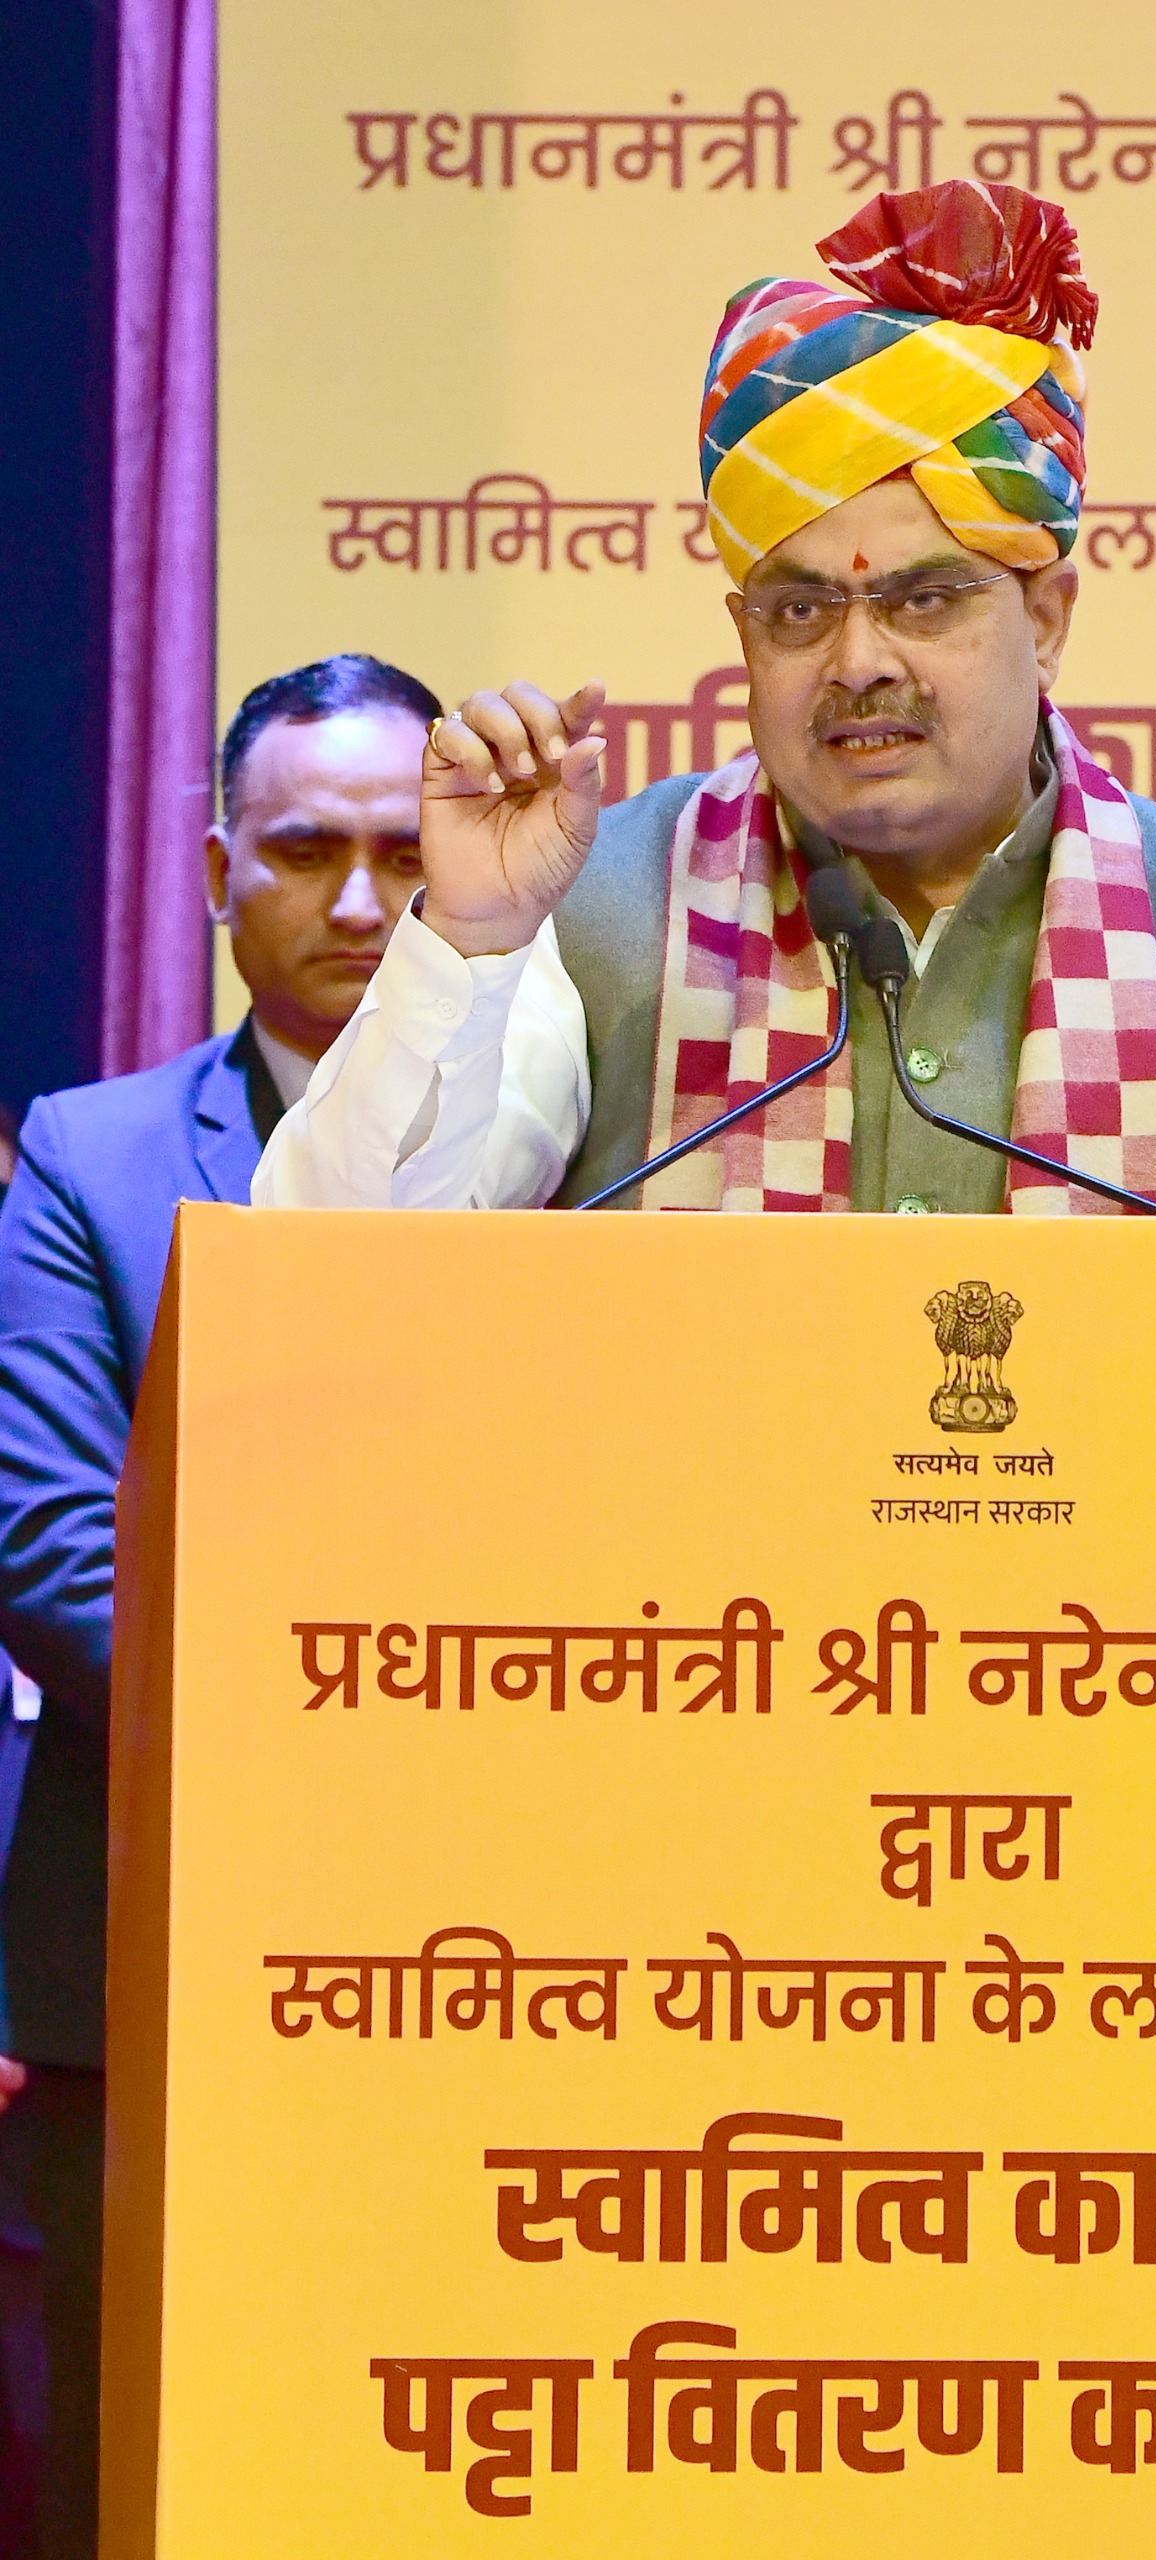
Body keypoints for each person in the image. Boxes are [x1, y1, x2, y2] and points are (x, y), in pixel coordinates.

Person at [253, 181, 1156, 1222]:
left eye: (924, 600)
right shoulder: (593, 917)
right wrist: (470, 942)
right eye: (800, 608)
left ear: (1046, 619)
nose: (858, 660)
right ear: (744, 636)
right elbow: (326, 1269)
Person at [0, 650, 439, 2560]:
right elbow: (49, 1545)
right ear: (213, 871)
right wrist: (356, 1730)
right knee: (140, 2470)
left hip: (493, 1953)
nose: (358, 901)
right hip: (152, 1953)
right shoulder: (89, 1156)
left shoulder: (581, 1150)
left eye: (406, 854)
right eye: (307, 849)